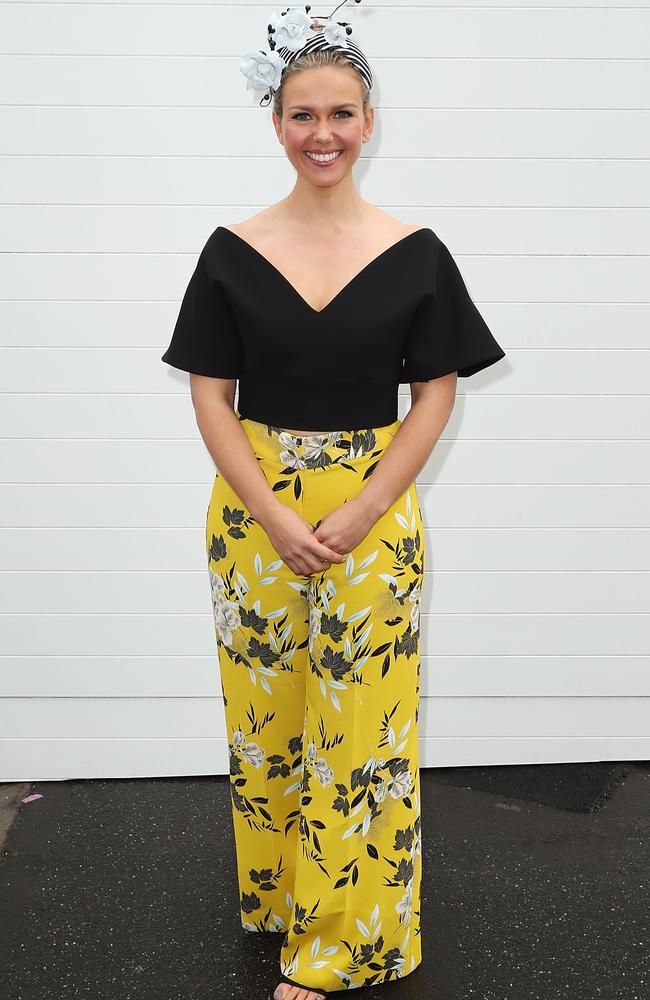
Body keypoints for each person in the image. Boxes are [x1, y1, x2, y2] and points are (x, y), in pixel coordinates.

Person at [161, 4, 507, 998]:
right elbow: (208, 394)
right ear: (275, 122)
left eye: (341, 114)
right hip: (250, 508)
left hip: (374, 507)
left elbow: (434, 389)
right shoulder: (231, 248)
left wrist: (359, 510)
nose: (322, 134)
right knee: (267, 717)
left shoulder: (415, 250)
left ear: (368, 121)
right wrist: (271, 510)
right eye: (303, 114)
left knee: (362, 732)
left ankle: (344, 945)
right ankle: (276, 902)